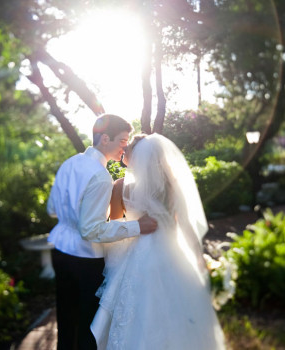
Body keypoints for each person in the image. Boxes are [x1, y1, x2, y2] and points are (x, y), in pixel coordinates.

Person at [91, 133, 226, 350]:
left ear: (134, 156)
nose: (123, 151)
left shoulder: (119, 186)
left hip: (138, 257)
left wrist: (111, 261)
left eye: (127, 150)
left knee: (138, 312)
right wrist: (198, 255)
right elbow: (185, 225)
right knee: (176, 309)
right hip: (172, 254)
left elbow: (115, 227)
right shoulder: (170, 185)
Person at [46, 114, 158, 350]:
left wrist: (74, 215)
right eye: (122, 140)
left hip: (59, 251)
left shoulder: (70, 163)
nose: (125, 146)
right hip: (85, 259)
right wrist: (137, 226)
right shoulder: (100, 176)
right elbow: (90, 230)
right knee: (88, 327)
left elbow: (52, 210)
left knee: (66, 322)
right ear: (105, 138)